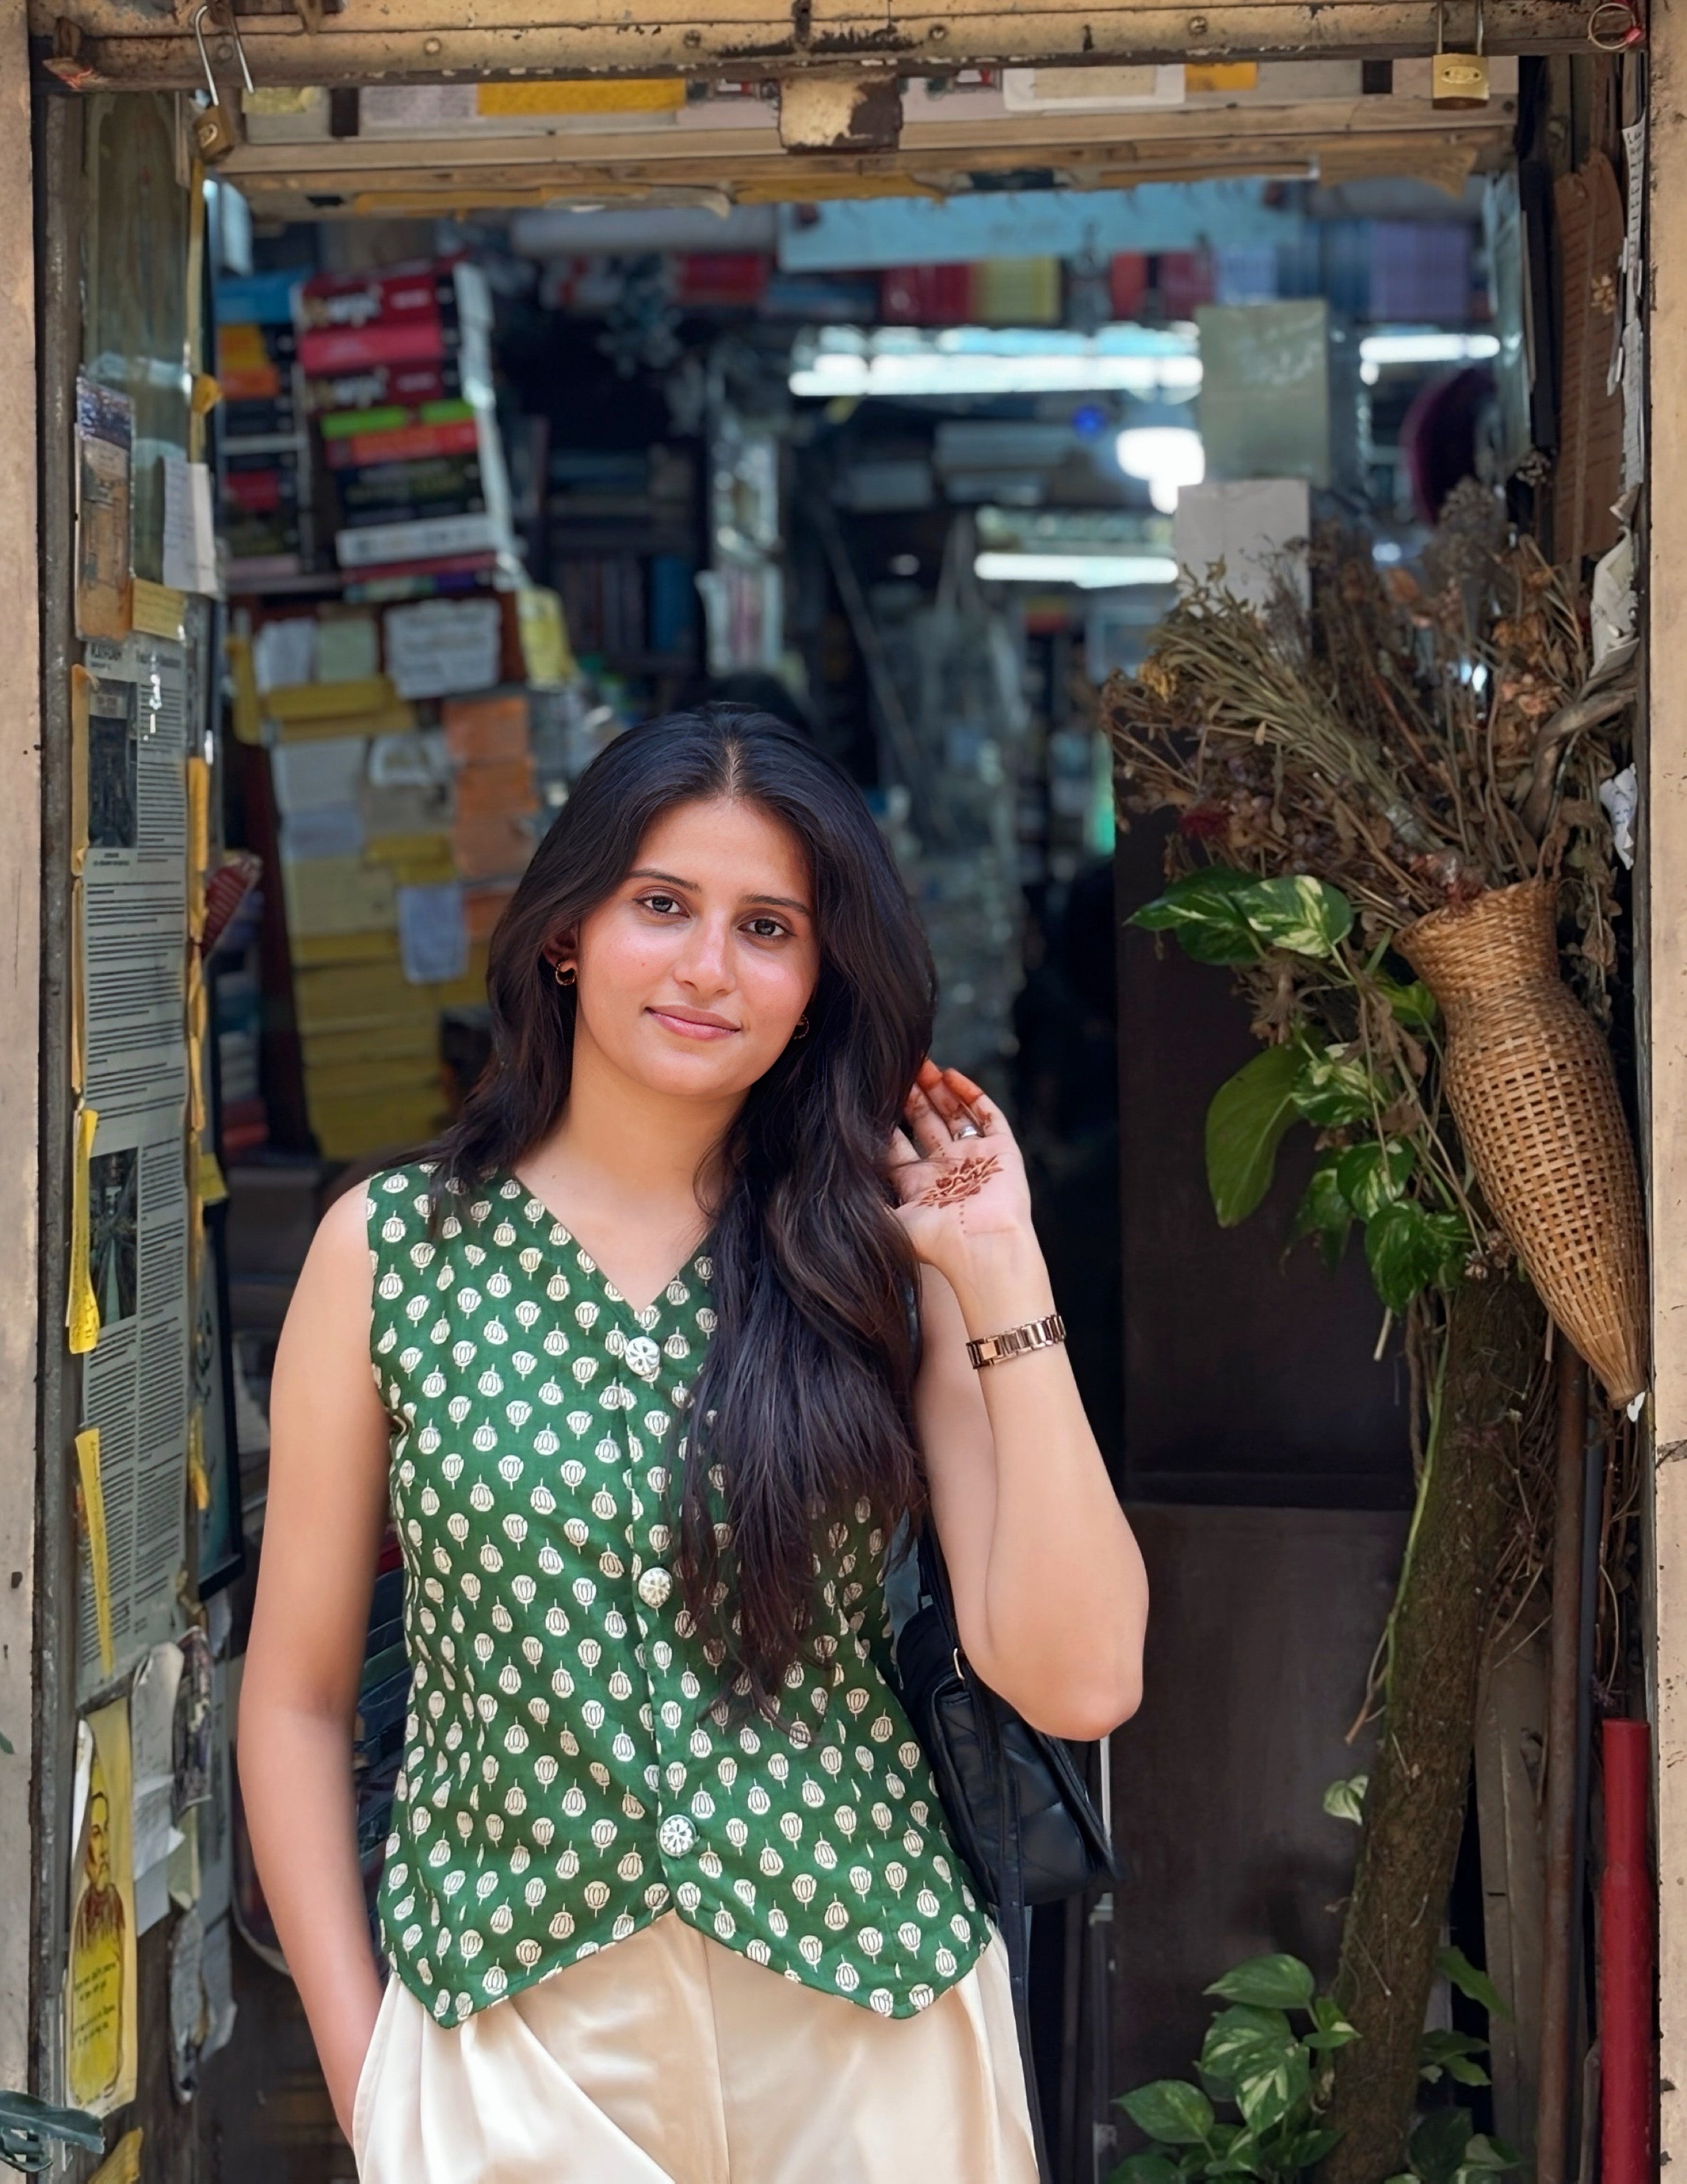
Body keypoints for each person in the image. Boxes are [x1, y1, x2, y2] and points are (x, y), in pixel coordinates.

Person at [238, 705, 1148, 2182]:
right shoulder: (389, 1248)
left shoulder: (879, 1259)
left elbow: (1085, 1675)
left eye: (769, 925)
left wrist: (1003, 1273)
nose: (709, 965)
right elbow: (291, 1696)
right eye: (663, 903)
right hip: (515, 2035)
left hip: (869, 2027)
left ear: (818, 979)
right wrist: (372, 2074)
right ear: (568, 932)